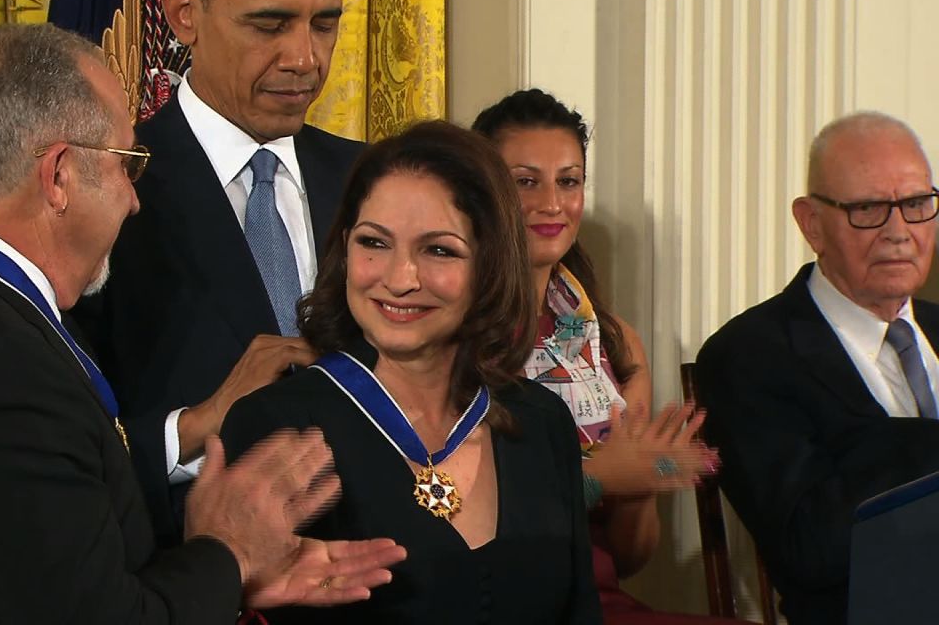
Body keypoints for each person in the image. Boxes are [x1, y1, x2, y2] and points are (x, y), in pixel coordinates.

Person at [0, 23, 404, 624]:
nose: (135, 198)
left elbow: (50, 534)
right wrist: (229, 555)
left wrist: (223, 573)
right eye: (127, 165)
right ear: (58, 177)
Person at [220, 121, 603, 623]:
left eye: (438, 250)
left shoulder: (540, 419)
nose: (400, 279)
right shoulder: (276, 428)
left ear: (490, 266)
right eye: (374, 243)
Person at [71, 0, 363, 545]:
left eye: (324, 23)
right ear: (184, 15)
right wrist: (192, 427)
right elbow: (63, 445)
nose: (305, 58)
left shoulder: (372, 181)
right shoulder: (106, 191)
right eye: (270, 24)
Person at [473, 89, 737, 625]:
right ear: (480, 193)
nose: (552, 203)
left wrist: (645, 482)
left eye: (568, 181)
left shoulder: (614, 343)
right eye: (526, 182)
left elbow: (628, 560)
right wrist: (599, 475)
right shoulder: (447, 331)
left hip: (597, 602)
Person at [696, 111, 939, 625]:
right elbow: (808, 545)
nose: (899, 232)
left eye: (916, 205)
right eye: (869, 209)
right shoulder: (749, 357)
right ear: (812, 223)